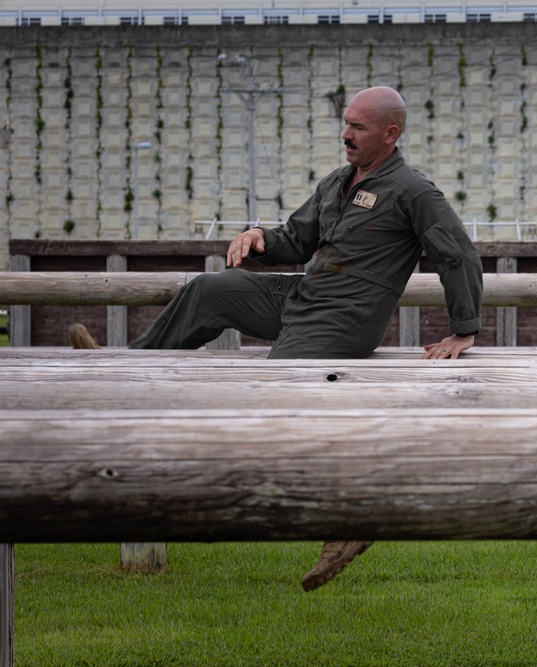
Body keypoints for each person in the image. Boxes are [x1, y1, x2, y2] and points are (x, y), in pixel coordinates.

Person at [69, 86, 483, 592]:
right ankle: (123, 372)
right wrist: (259, 238)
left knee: (272, 386)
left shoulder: (414, 192)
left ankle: (350, 519)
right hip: (304, 297)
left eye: (358, 126)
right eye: (346, 122)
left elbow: (458, 255)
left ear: (389, 134)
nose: (345, 133)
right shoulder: (338, 181)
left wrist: (464, 330)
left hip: (345, 317)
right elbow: (297, 239)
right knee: (211, 289)